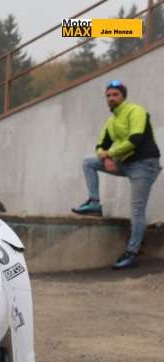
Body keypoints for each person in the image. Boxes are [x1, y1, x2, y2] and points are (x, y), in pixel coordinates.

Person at [71, 80, 160, 269]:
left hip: (144, 165)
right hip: (125, 163)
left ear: (123, 96)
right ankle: (94, 203)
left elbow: (135, 140)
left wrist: (109, 154)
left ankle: (132, 253)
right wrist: (105, 157)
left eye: (115, 94)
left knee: (137, 210)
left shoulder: (136, 111)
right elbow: (99, 146)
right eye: (108, 95)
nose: (111, 98)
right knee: (89, 161)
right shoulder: (111, 121)